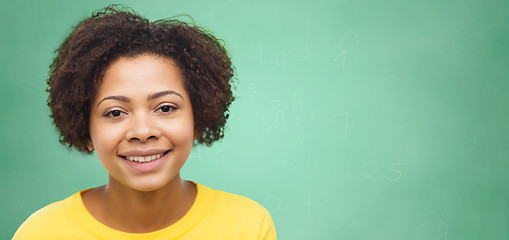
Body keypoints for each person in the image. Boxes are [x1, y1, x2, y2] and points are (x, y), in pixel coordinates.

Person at [13, 5, 276, 239]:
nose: (142, 131)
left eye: (165, 107)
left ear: (198, 119)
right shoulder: (41, 233)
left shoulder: (248, 226)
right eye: (115, 112)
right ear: (85, 129)